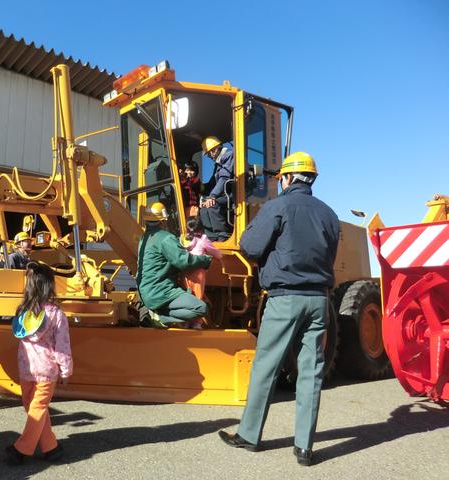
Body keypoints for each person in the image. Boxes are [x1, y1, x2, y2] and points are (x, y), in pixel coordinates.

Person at [217, 152, 339, 467]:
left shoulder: (278, 206)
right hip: (319, 300)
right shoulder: (329, 214)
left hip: (285, 298)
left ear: (285, 178)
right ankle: (304, 448)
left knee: (266, 368)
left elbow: (252, 246)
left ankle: (249, 435)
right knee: (311, 373)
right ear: (311, 179)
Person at [6, 262, 72, 465]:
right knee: (39, 408)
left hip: (26, 369)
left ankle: (50, 447)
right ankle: (22, 449)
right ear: (50, 286)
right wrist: (66, 371)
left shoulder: (22, 312)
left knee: (33, 407)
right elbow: (62, 346)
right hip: (46, 370)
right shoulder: (56, 314)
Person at [136, 202, 213, 327]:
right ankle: (161, 318)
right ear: (163, 221)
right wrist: (205, 260)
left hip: (146, 293)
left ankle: (158, 312)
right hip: (162, 293)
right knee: (201, 308)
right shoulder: (165, 238)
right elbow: (184, 261)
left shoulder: (144, 239)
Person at [182, 217, 223, 329]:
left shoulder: (184, 239)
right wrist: (219, 255)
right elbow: (216, 253)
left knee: (187, 295)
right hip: (198, 271)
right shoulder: (203, 239)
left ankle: (185, 321)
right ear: (201, 227)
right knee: (198, 296)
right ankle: (196, 323)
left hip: (185, 271)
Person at [199, 136, 235, 242]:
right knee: (204, 209)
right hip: (224, 194)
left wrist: (212, 196)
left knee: (213, 204)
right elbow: (212, 183)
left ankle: (222, 235)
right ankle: (212, 236)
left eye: (210, 152)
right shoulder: (219, 162)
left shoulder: (229, 155)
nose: (210, 156)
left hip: (233, 194)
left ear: (216, 149)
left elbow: (224, 178)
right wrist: (202, 192)